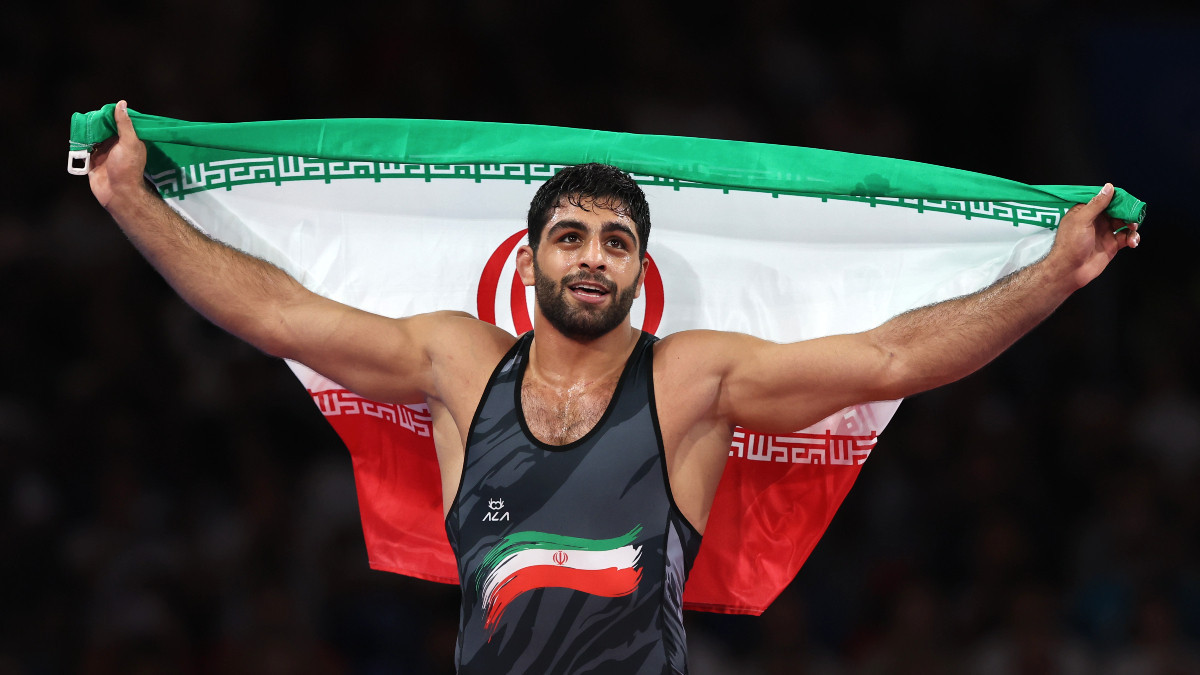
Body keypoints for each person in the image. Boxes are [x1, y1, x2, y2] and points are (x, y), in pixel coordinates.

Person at [87, 100, 1139, 674]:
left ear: (641, 269)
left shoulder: (691, 380)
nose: (592, 257)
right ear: (533, 257)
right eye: (571, 237)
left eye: (616, 242)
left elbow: (896, 360)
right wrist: (132, 202)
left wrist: (1052, 275)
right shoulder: (460, 365)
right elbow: (273, 315)